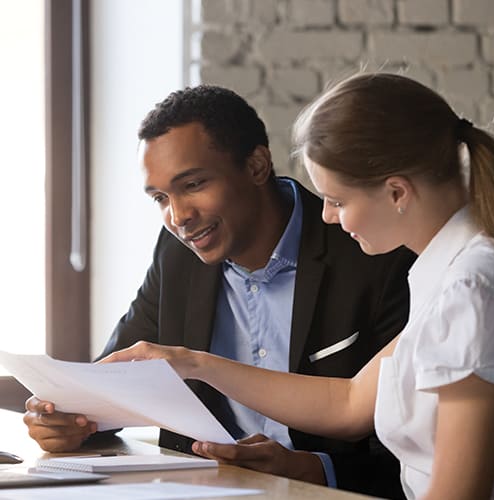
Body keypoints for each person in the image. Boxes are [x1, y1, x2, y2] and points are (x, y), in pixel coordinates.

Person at [100, 74, 494, 500]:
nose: (326, 216)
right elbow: (348, 402)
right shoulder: (443, 276)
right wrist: (193, 364)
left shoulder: (469, 289)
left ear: (397, 192)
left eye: (338, 201)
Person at [24, 85, 415, 497]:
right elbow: (117, 377)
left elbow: (418, 448)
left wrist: (316, 469)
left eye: (192, 184)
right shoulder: (176, 256)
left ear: (257, 165)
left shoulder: (374, 254)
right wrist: (68, 418)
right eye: (160, 198)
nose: (178, 217)